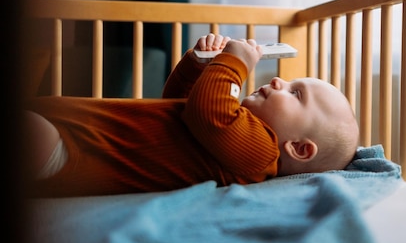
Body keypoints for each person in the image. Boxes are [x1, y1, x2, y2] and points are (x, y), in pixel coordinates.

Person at [23, 34, 360, 197]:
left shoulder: (261, 154)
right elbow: (181, 105)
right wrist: (197, 66)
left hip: (77, 151)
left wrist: (235, 62)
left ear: (298, 149)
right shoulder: (231, 132)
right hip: (76, 130)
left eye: (295, 93)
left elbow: (207, 112)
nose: (277, 80)